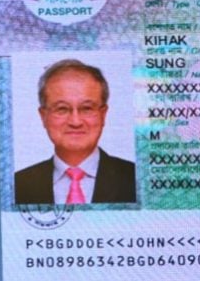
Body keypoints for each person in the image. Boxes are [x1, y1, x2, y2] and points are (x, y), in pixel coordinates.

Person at [14, 59, 136, 205]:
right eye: (62, 109)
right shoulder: (18, 185)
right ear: (43, 116)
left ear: (103, 114)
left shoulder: (136, 179)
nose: (75, 122)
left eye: (87, 108)